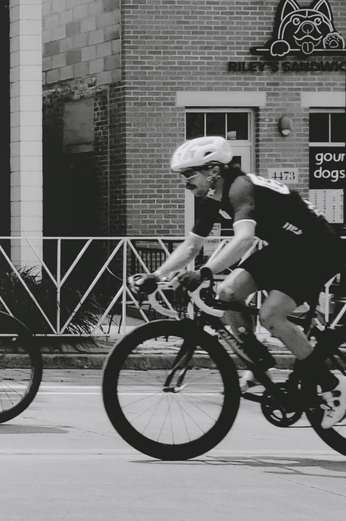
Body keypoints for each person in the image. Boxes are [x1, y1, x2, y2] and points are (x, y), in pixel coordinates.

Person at [142, 135, 346, 425]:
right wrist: (156, 275)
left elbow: (244, 239)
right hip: (285, 248)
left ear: (213, 171)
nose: (185, 182)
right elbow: (191, 246)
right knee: (227, 292)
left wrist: (204, 272)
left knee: (271, 315)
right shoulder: (212, 197)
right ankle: (259, 359)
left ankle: (332, 386)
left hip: (318, 250)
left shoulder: (240, 188)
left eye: (189, 174)